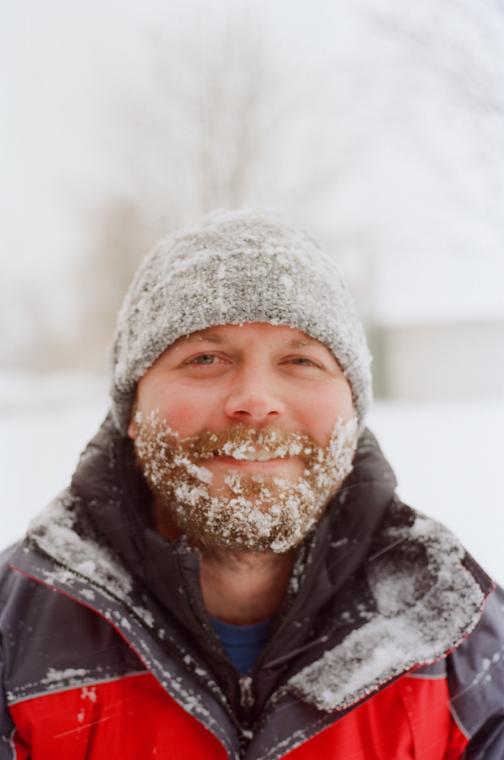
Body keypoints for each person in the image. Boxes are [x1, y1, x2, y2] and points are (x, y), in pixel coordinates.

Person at [0, 209, 503, 759]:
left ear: (353, 409)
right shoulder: (12, 642)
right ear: (133, 410)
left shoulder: (467, 646)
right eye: (205, 357)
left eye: (301, 360)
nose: (256, 399)